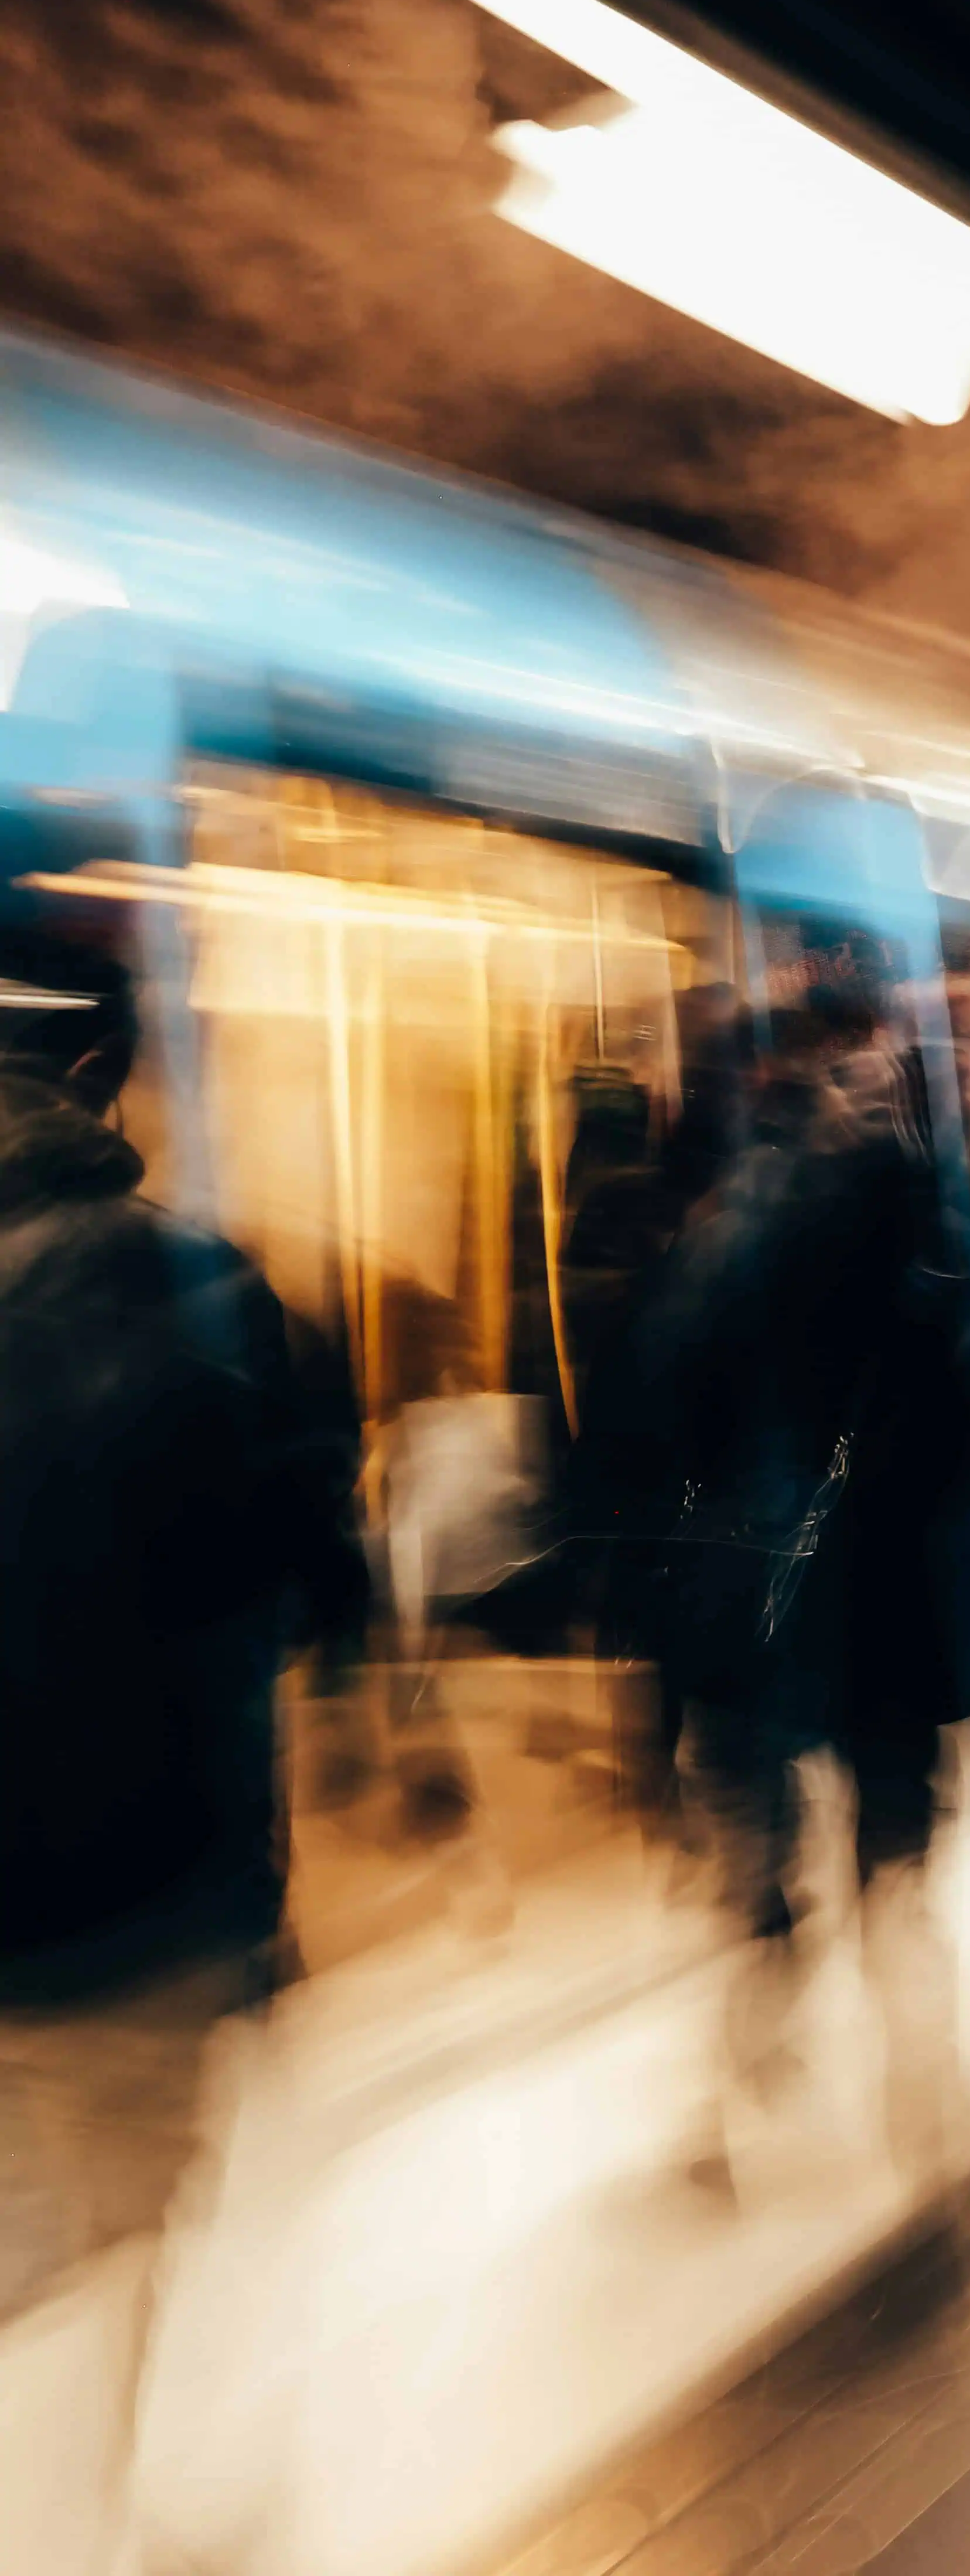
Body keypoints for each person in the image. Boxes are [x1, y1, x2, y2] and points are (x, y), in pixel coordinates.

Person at [0, 933, 365, 2575]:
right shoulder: (216, 1295)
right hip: (148, 1882)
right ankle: (89, 2525)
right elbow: (310, 1584)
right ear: (106, 1085)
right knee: (120, 2236)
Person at [638, 985, 970, 2175]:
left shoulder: (716, 1234)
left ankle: (730, 2094)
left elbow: (661, 1448)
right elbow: (955, 1443)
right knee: (896, 1849)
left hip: (749, 1598)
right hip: (892, 1602)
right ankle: (919, 2084)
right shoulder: (920, 1234)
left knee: (754, 1856)